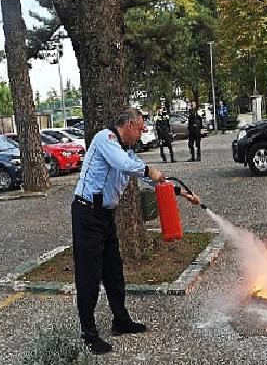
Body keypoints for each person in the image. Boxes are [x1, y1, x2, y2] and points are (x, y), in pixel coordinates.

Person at [72, 108, 200, 354]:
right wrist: (149, 170)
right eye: (140, 129)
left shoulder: (127, 152)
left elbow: (154, 179)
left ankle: (120, 321)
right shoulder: (105, 139)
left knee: (114, 271)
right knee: (89, 275)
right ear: (129, 125)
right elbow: (127, 166)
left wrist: (185, 194)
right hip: (87, 214)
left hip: (105, 215)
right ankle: (89, 335)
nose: (141, 134)